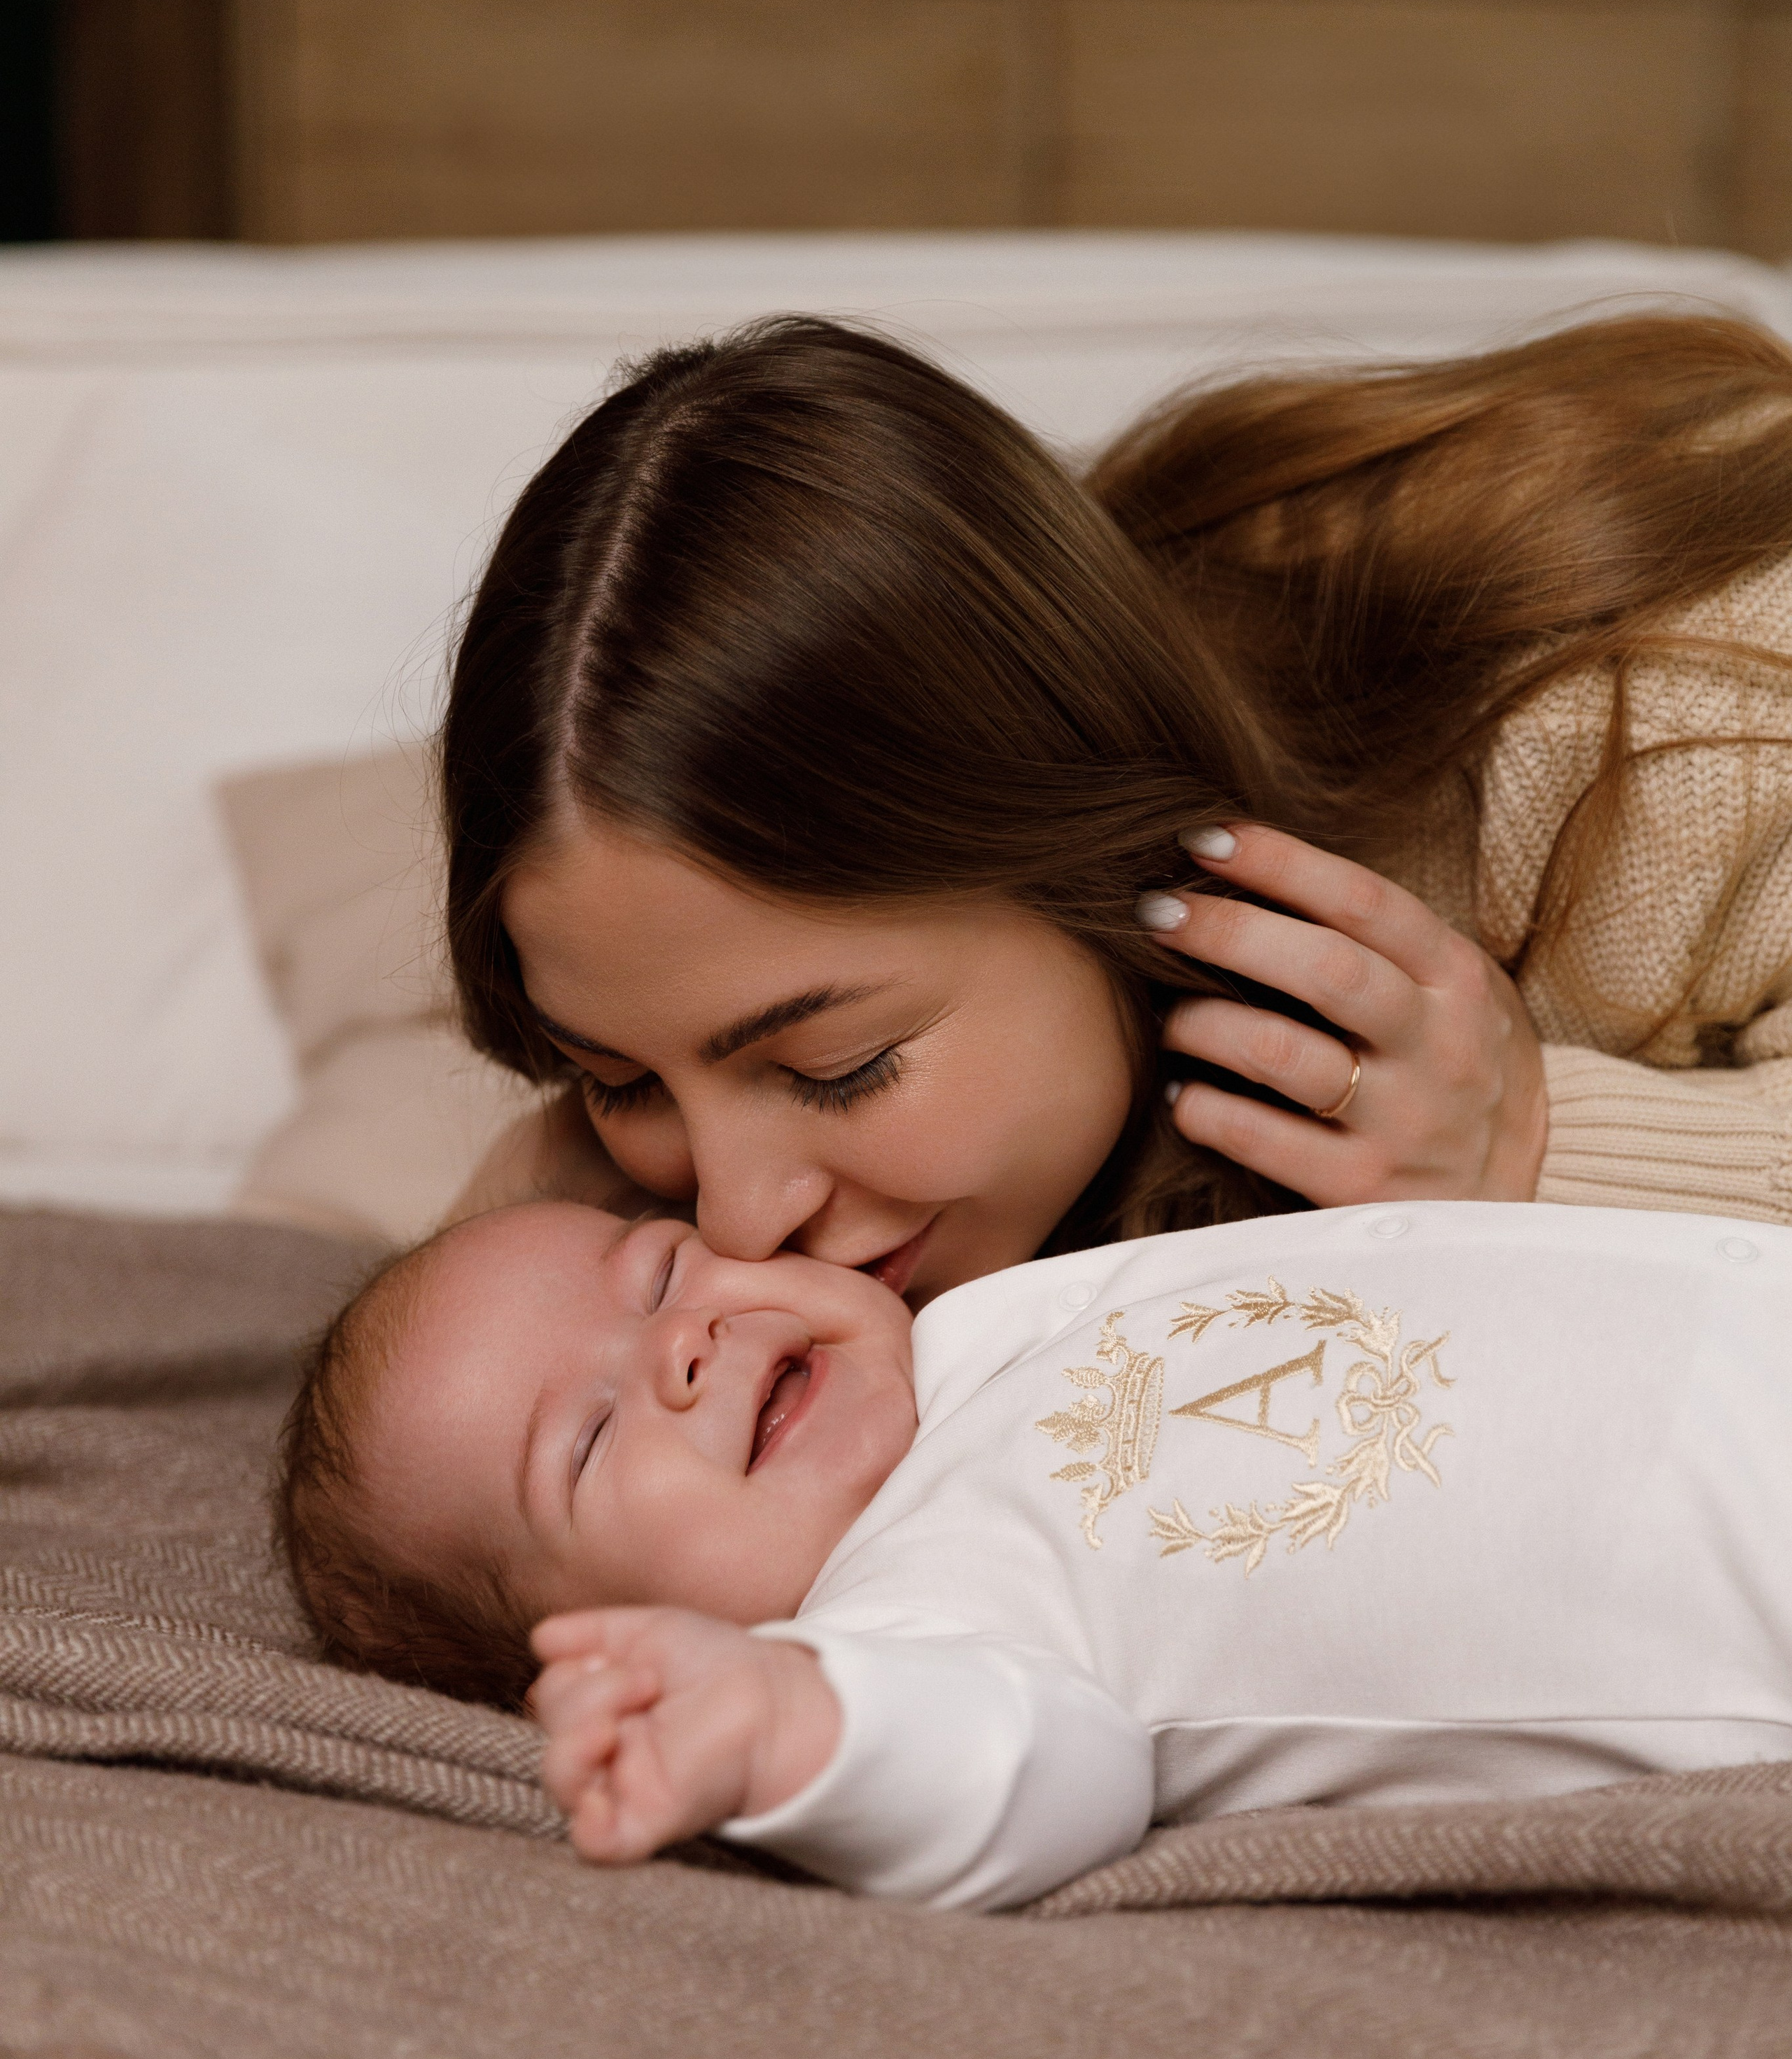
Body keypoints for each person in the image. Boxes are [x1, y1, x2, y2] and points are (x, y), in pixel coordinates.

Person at [440, 312, 1792, 1308]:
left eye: (839, 1067)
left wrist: (1538, 1154)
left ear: (1091, 854)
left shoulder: (1673, 724)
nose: (738, 1220)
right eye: (619, 1081)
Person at [278, 1194, 1792, 1911]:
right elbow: (1026, 1768)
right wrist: (786, 1720)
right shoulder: (921, 1595)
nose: (683, 1341)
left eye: (660, 1267)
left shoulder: (985, 1319)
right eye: (592, 1442)